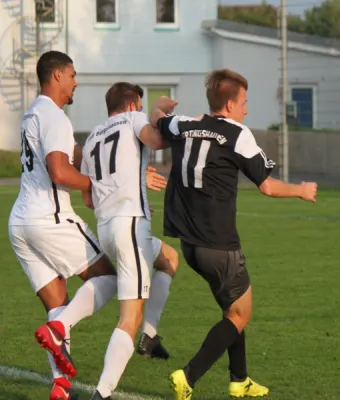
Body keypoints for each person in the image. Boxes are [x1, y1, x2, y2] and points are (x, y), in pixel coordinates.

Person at [150, 68, 318, 400]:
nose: (246, 109)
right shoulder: (238, 134)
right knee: (241, 313)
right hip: (219, 244)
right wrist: (301, 190)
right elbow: (267, 185)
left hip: (189, 244)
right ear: (228, 104)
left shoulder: (183, 124)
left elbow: (158, 119)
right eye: (243, 102)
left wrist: (159, 104)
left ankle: (239, 380)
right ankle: (189, 376)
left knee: (232, 308)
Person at [8, 50, 118, 400]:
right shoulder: (55, 116)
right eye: (72, 75)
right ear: (56, 75)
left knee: (58, 302)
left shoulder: (32, 114)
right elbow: (60, 171)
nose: (76, 82)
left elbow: (75, 154)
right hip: (48, 218)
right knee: (108, 277)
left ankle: (59, 385)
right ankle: (58, 330)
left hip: (20, 223)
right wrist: (99, 186)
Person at [75, 82, 178, 400]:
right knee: (128, 317)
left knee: (169, 258)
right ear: (133, 105)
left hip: (106, 229)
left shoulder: (91, 137)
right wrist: (159, 112)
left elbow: (89, 198)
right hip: (130, 226)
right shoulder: (134, 120)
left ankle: (150, 335)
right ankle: (102, 394)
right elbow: (158, 139)